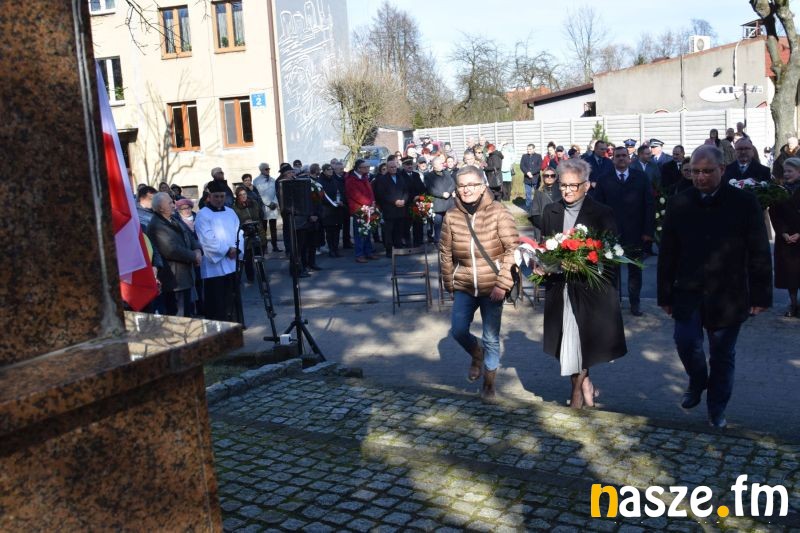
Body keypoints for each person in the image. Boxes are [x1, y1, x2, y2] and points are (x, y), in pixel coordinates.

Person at [657, 145, 772, 428]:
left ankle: (716, 409)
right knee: (686, 342)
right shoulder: (679, 202)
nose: (700, 177)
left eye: (707, 171)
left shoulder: (744, 202)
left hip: (728, 293)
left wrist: (761, 295)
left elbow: (759, 250)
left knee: (722, 355)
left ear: (722, 169)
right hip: (688, 290)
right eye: (695, 171)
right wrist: (665, 295)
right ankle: (697, 381)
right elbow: (668, 252)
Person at [539, 158, 627, 409]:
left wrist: (585, 264)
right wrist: (543, 264)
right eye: (563, 185)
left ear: (586, 186)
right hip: (561, 287)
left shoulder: (602, 213)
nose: (567, 190)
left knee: (583, 342)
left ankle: (576, 395)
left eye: (573, 185)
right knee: (567, 342)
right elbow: (545, 247)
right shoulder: (550, 211)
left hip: (590, 291)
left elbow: (611, 255)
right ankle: (585, 385)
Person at [439, 165, 519, 403]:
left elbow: (512, 249)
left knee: (491, 337)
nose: (467, 190)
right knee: (458, 330)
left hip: (493, 285)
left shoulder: (499, 212)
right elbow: (445, 253)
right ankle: (476, 354)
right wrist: (449, 284)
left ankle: (489, 383)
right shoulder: (452, 216)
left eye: (472, 185)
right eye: (462, 186)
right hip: (464, 284)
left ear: (483, 186)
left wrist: (503, 284)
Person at [593, 146, 655, 316]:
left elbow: (649, 205)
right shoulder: (604, 179)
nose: (621, 158)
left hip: (635, 233)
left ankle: (635, 303)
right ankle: (613, 303)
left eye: (624, 156)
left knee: (635, 270)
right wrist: (600, 232)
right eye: (618, 156)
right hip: (611, 234)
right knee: (612, 271)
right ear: (613, 159)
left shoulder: (641, 177)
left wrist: (648, 231)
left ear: (629, 158)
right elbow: (597, 206)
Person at [195, 179, 243, 322]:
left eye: (222, 196)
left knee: (232, 296)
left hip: (232, 262)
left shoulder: (230, 212)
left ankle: (235, 323)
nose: (219, 199)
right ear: (209, 197)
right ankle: (218, 327)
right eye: (216, 196)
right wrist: (227, 250)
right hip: (214, 267)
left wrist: (236, 248)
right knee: (216, 300)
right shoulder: (202, 214)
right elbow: (206, 238)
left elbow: (239, 232)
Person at [147, 192, 202, 317]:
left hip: (184, 278)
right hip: (174, 281)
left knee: (187, 314)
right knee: (179, 317)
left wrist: (198, 250)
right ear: (161, 208)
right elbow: (171, 250)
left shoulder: (174, 219)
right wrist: (193, 256)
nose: (174, 205)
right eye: (170, 203)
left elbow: (189, 235)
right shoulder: (156, 225)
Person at [276, 163, 321, 277]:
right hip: (293, 220)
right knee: (295, 248)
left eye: (293, 172)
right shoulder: (283, 185)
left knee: (302, 247)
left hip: (302, 220)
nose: (293, 174)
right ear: (285, 175)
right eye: (290, 173)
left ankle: (302, 267)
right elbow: (286, 205)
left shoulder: (295, 183)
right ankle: (296, 271)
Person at [769, 157, 800, 316]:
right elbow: (774, 213)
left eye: (790, 171)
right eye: (785, 171)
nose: (786, 174)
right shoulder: (779, 191)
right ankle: (793, 304)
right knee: (790, 275)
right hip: (786, 238)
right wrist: (783, 232)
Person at [373, 159, 411, 257]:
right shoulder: (382, 179)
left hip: (401, 208)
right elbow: (381, 194)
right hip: (389, 209)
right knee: (389, 231)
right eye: (391, 167)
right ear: (387, 168)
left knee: (399, 229)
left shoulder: (400, 177)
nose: (394, 169)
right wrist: (394, 201)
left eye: (395, 167)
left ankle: (398, 248)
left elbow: (406, 191)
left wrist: (404, 200)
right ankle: (389, 250)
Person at [345, 159, 380, 263]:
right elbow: (355, 195)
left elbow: (370, 191)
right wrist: (368, 204)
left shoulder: (364, 177)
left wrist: (373, 202)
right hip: (359, 209)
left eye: (368, 167)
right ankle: (359, 254)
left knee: (367, 231)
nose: (368, 169)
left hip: (368, 207)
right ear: (359, 168)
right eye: (366, 167)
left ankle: (368, 252)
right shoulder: (351, 180)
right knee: (360, 233)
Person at [233, 186, 266, 284]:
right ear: (237, 196)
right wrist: (243, 223)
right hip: (245, 234)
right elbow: (234, 222)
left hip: (257, 231)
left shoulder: (254, 203)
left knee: (259, 256)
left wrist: (256, 222)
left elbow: (261, 215)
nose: (243, 196)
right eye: (240, 195)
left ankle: (263, 276)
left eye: (244, 194)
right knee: (248, 258)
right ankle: (250, 277)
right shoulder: (234, 208)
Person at [424, 155, 455, 245]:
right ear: (434, 165)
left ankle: (449, 240)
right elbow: (430, 189)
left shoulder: (446, 173)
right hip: (438, 204)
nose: (443, 165)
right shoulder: (428, 176)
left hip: (448, 202)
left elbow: (452, 184)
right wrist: (442, 194)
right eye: (441, 163)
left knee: (449, 224)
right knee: (438, 224)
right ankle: (437, 241)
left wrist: (448, 192)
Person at [318, 163, 346, 258]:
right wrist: (331, 202)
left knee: (337, 231)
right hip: (327, 210)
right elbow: (321, 196)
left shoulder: (334, 180)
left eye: (331, 169)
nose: (331, 171)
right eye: (328, 169)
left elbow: (340, 192)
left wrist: (341, 200)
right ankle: (331, 250)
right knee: (330, 232)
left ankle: (336, 249)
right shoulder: (320, 182)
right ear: (324, 171)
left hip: (337, 209)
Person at [253, 163, 282, 253]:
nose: (268, 170)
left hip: (273, 207)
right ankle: (264, 246)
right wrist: (268, 203)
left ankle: (275, 246)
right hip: (264, 207)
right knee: (264, 228)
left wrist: (275, 202)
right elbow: (259, 194)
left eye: (268, 169)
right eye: (266, 169)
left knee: (273, 228)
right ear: (261, 170)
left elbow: (276, 192)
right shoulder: (256, 181)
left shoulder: (273, 180)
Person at [527, 167, 561, 241]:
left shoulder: (561, 192)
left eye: (552, 175)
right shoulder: (538, 193)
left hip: (559, 230)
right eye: (547, 175)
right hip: (543, 230)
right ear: (543, 177)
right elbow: (535, 214)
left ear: (555, 177)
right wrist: (546, 228)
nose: (549, 177)